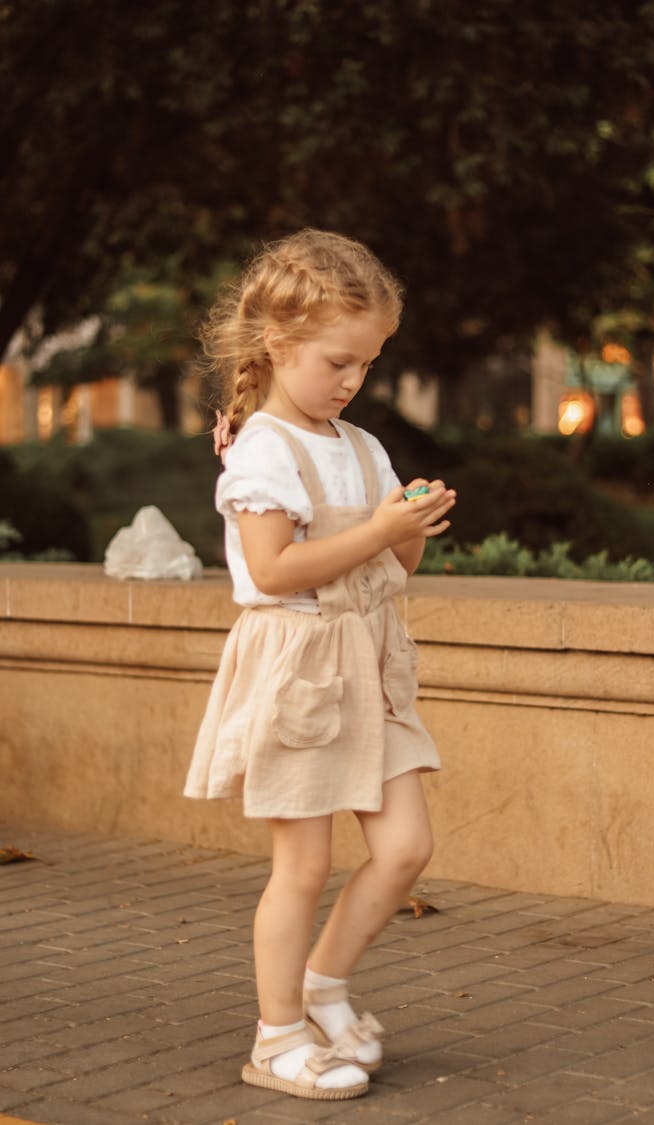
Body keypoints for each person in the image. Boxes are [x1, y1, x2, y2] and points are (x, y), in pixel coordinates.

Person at [184, 229, 456, 1101]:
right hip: (299, 668)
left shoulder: (362, 445)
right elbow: (272, 571)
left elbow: (390, 568)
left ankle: (324, 984)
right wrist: (378, 532)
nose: (351, 380)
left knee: (406, 845)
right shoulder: (263, 450)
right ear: (279, 344)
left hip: (370, 661)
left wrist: (403, 531)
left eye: (367, 364)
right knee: (300, 867)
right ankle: (275, 1037)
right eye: (339, 360)